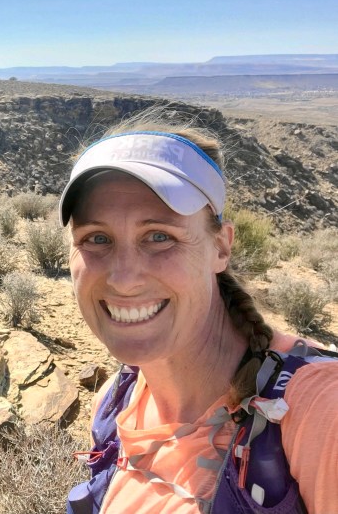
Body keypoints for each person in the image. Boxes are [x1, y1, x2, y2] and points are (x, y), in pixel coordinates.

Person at [57, 116, 338, 514]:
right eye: (96, 238)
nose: (124, 279)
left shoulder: (320, 415)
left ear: (221, 247)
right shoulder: (116, 403)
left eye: (159, 236)